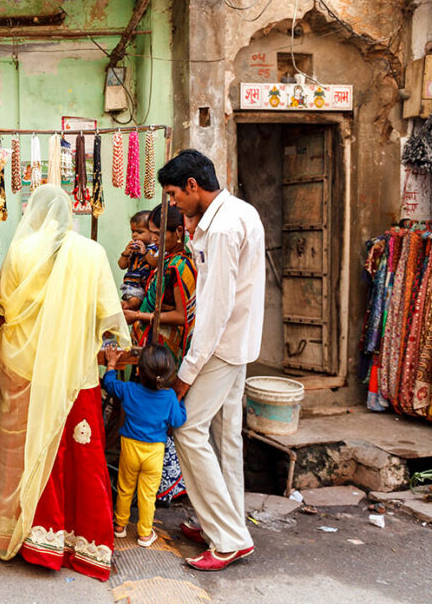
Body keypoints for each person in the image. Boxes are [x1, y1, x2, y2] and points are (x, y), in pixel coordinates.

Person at [0, 184, 131, 582]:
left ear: (33, 213)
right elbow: (107, 313)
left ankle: (37, 542)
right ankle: (85, 546)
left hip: (27, 372)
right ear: (70, 215)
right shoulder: (91, 254)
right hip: (74, 374)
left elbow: (3, 308)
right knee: (81, 457)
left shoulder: (20, 252)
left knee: (32, 454)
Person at [158, 149, 266, 571]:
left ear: (192, 185)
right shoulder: (240, 212)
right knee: (226, 439)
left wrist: (186, 373)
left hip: (220, 346)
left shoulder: (220, 229)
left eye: (174, 195)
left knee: (187, 430)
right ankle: (223, 522)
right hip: (238, 343)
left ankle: (228, 539)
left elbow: (214, 308)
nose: (173, 205)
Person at [124, 203, 197, 506]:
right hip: (155, 343)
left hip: (167, 353)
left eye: (158, 234)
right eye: (151, 234)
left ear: (178, 232)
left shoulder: (180, 266)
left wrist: (140, 317)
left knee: (157, 416)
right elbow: (166, 304)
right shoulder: (166, 261)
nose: (153, 240)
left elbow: (182, 316)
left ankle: (167, 486)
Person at [102, 345, 186, 547]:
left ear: (138, 371)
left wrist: (112, 363)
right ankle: (145, 534)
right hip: (154, 452)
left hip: (130, 448)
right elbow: (178, 420)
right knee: (147, 495)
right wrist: (180, 402)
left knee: (124, 488)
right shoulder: (169, 398)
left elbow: (109, 383)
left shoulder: (129, 390)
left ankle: (120, 526)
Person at [118, 210, 157, 310]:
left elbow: (156, 263)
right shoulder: (133, 248)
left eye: (139, 232)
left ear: (153, 233)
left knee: (134, 305)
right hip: (131, 285)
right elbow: (122, 265)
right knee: (130, 304)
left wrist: (145, 253)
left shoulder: (155, 249)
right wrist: (125, 254)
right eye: (132, 231)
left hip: (144, 287)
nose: (134, 235)